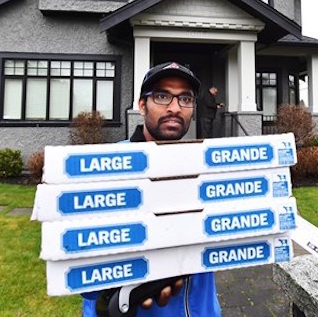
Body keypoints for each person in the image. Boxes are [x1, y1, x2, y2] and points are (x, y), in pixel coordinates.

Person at [81, 61, 222, 316]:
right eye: (162, 96)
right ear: (142, 104)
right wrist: (119, 290)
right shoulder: (105, 170)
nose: (175, 108)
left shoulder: (203, 168)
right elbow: (83, 271)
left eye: (185, 99)